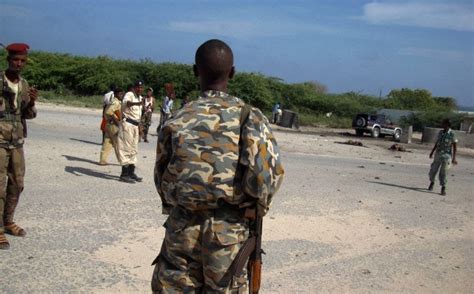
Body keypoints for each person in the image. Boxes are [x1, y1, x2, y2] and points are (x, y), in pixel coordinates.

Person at [151, 39, 284, 292]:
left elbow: (161, 176)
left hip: (181, 229)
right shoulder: (249, 117)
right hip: (228, 233)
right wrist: (255, 209)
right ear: (232, 72)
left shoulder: (178, 117)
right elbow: (265, 178)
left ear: (194, 71)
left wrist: (179, 205)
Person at [0, 43, 38, 250]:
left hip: (16, 140)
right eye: (16, 59)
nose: (19, 64)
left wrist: (31, 103)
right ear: (9, 59)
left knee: (17, 183)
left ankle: (8, 221)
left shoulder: (23, 84)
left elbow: (27, 115)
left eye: (23, 60)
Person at [117, 80, 144, 183]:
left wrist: (140, 128)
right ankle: (124, 174)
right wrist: (138, 103)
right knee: (126, 148)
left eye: (141, 87)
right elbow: (127, 104)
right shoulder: (129, 94)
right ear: (134, 87)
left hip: (135, 126)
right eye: (138, 87)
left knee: (134, 149)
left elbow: (139, 115)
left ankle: (131, 173)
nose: (140, 89)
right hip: (127, 124)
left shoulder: (140, 97)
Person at [428, 118, 458, 195]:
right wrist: (432, 152)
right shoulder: (441, 132)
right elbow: (437, 143)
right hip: (438, 154)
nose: (442, 125)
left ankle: (443, 188)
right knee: (433, 170)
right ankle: (432, 182)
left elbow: (454, 146)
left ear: (447, 125)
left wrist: (454, 158)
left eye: (443, 123)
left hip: (447, 156)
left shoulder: (452, 134)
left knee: (443, 172)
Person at [99, 88, 124, 165]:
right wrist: (117, 122)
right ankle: (122, 161)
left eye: (122, 94)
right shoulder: (116, 102)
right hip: (113, 125)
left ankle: (102, 160)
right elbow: (109, 112)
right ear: (116, 94)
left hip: (108, 124)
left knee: (107, 142)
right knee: (117, 143)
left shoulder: (113, 101)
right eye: (120, 94)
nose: (121, 95)